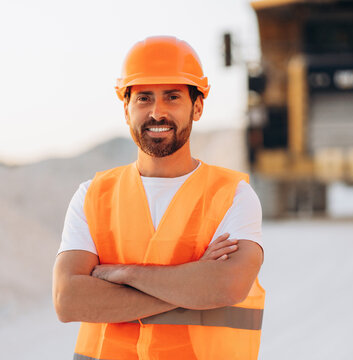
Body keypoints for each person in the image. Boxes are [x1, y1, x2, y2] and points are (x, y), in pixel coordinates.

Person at [52, 36, 265, 360]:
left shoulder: (233, 195)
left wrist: (124, 274)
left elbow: (227, 286)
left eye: (172, 97)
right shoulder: (92, 196)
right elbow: (68, 300)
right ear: (126, 109)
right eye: (144, 98)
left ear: (197, 107)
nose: (157, 112)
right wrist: (192, 282)